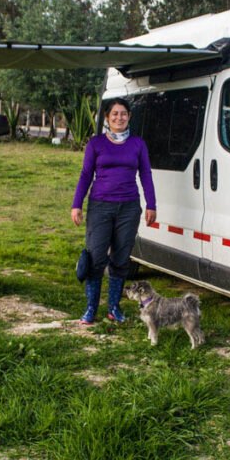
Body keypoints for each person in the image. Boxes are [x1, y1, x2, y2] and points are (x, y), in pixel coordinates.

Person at [71, 99, 157, 325]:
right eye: (115, 114)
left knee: (121, 259)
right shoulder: (96, 144)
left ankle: (114, 309)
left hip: (129, 207)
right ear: (107, 118)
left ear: (129, 116)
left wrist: (151, 204)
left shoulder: (138, 144)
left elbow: (146, 175)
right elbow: (85, 175)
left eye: (124, 114)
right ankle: (91, 309)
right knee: (96, 257)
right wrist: (76, 204)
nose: (120, 118)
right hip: (100, 206)